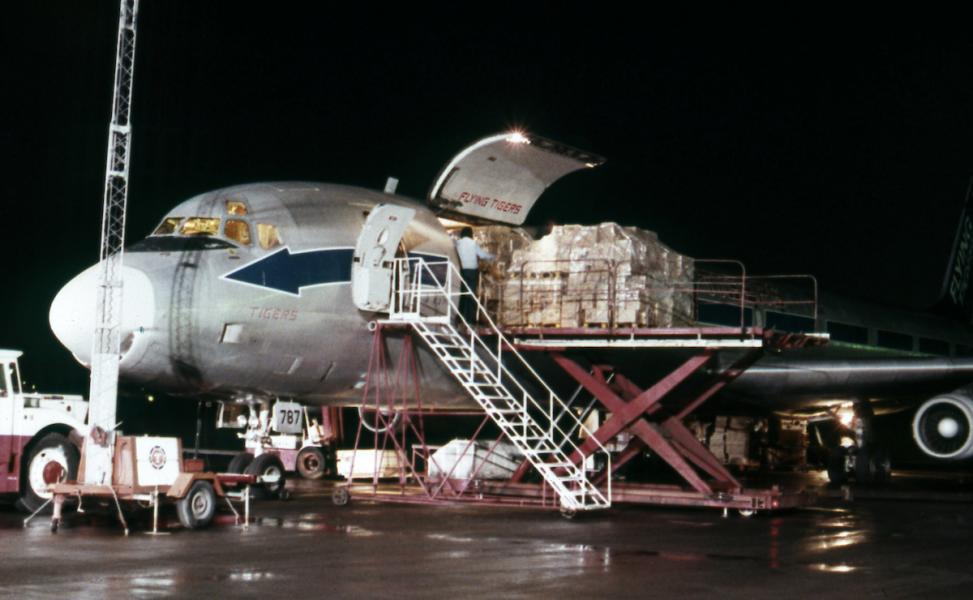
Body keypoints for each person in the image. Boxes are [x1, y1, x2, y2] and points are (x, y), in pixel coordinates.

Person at [454, 227, 494, 324]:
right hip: (472, 271)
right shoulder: (473, 243)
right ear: (470, 234)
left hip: (461, 271)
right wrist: (493, 256)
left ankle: (459, 317)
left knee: (462, 294)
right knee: (471, 294)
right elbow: (482, 255)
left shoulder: (457, 243)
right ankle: (469, 319)